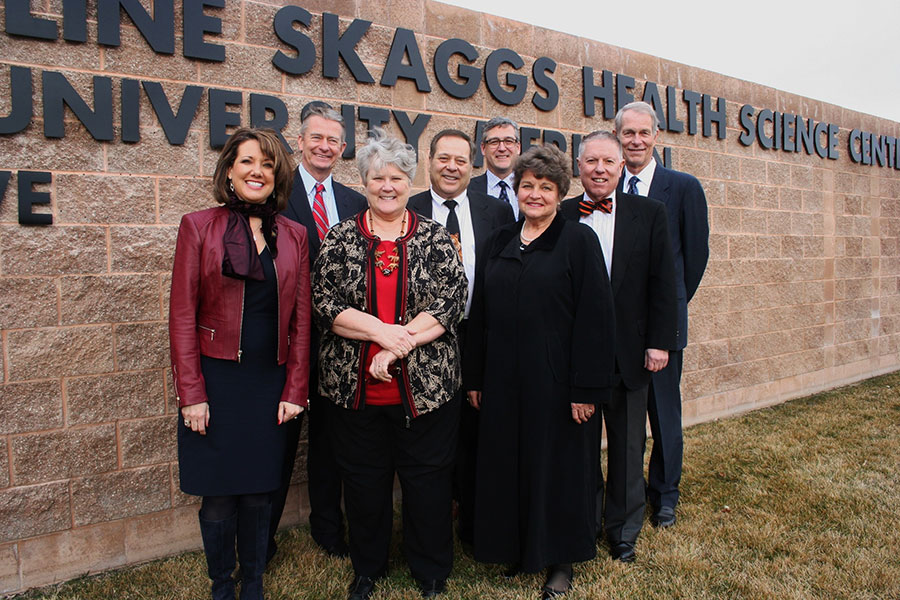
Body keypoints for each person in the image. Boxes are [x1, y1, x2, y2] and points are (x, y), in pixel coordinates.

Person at [313, 130, 467, 600]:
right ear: (364, 181)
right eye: (378, 177)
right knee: (364, 484)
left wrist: (393, 349)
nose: (387, 186)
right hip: (355, 393)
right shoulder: (340, 238)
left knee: (428, 483)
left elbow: (451, 299)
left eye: (397, 177)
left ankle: (432, 569)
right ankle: (368, 567)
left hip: (427, 390)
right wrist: (381, 333)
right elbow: (325, 301)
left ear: (409, 182)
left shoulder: (436, 237)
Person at [464, 144, 615, 599]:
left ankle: (561, 561)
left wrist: (585, 389)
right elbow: (481, 314)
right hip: (504, 383)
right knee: (510, 465)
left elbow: (596, 319)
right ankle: (518, 548)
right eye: (526, 185)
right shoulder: (500, 240)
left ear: (559, 193)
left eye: (545, 188)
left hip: (558, 384)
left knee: (558, 471)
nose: (534, 195)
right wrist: (474, 378)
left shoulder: (578, 241)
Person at [169, 127, 311, 600]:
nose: (258, 172)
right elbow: (182, 316)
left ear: (278, 176)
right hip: (216, 380)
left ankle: (254, 584)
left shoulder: (293, 235)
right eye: (248, 161)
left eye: (268, 165)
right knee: (220, 492)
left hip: (268, 382)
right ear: (229, 170)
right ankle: (221, 586)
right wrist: (192, 394)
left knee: (258, 491)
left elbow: (303, 321)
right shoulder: (199, 226)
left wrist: (295, 389)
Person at [561, 131, 677, 563]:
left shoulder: (650, 213)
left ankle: (623, 532)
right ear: (578, 167)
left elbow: (664, 285)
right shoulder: (561, 213)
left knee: (628, 449)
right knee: (581, 449)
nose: (600, 169)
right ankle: (584, 525)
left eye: (608, 162)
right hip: (576, 359)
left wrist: (659, 343)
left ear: (620, 165)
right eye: (591, 161)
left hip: (631, 355)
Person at [408, 129, 514, 548]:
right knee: (432, 430)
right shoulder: (408, 208)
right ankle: (435, 515)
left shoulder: (496, 211)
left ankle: (473, 515)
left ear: (472, 164)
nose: (451, 167)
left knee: (477, 427)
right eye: (443, 158)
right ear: (429, 161)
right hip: (422, 338)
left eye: (460, 159)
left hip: (477, 332)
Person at [614, 101, 710, 528]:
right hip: (616, 330)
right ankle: (629, 491)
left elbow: (694, 257)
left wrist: (666, 318)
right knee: (626, 418)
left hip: (660, 326)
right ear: (618, 137)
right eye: (627, 133)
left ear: (656, 137)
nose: (635, 141)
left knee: (664, 413)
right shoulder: (605, 188)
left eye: (643, 133)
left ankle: (665, 494)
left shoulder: (683, 187)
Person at [278, 101, 366, 560]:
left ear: (343, 147)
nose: (325, 146)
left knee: (332, 444)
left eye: (333, 139)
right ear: (300, 141)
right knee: (280, 444)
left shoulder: (354, 201)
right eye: (317, 137)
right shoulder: (277, 189)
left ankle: (329, 532)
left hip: (342, 345)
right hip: (289, 341)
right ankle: (262, 538)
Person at [468, 116, 522, 218]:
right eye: (494, 142)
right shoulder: (468, 190)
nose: (502, 148)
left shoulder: (531, 189)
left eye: (508, 141)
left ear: (518, 148)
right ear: (483, 148)